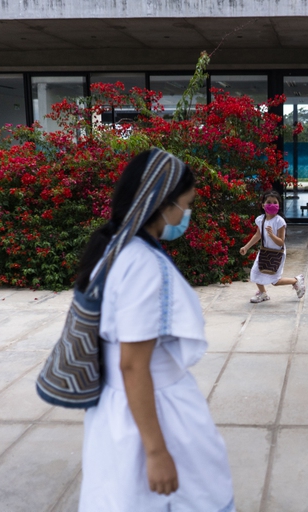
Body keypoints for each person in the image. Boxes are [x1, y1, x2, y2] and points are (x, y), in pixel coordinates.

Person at [76, 148, 235, 511]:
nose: (186, 214)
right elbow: (133, 365)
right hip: (155, 413)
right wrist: (157, 451)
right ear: (163, 205)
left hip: (124, 409)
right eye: (186, 203)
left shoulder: (115, 249)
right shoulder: (142, 265)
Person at [239, 190, 306, 303]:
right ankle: (263, 293)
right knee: (255, 273)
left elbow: (280, 242)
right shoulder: (260, 219)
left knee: (275, 281)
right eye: (269, 202)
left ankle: (296, 280)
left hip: (277, 253)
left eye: (275, 202)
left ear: (279, 206)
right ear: (263, 205)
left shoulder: (280, 222)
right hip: (265, 251)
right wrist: (246, 247)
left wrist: (271, 235)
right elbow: (258, 235)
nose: (272, 204)